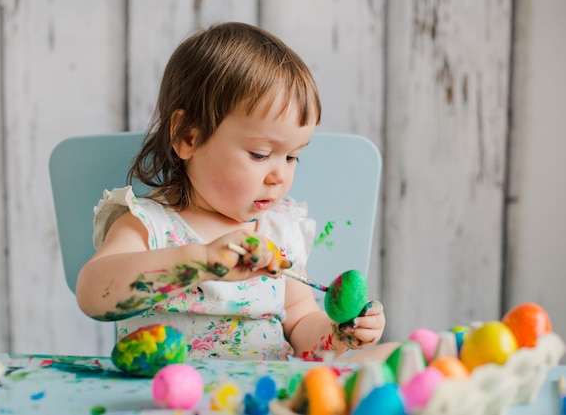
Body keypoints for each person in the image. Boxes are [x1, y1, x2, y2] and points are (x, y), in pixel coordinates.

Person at [76, 21, 395, 362]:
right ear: (188, 137)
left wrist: (337, 335)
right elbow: (95, 294)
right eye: (260, 154)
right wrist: (200, 261)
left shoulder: (279, 231)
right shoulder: (149, 224)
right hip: (170, 395)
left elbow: (301, 324)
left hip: (265, 397)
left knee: (397, 353)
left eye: (292, 157)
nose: (279, 175)